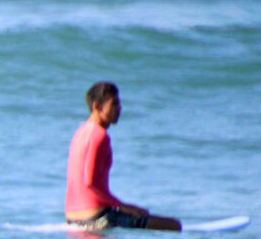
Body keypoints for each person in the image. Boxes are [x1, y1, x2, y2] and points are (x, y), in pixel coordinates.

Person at [65, 82, 180, 231]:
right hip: (98, 219)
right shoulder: (99, 136)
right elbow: (90, 182)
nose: (119, 109)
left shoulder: (80, 133)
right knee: (174, 225)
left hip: (73, 219)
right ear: (97, 107)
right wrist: (122, 206)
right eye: (113, 104)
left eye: (119, 104)